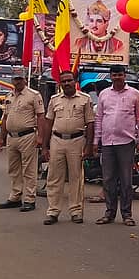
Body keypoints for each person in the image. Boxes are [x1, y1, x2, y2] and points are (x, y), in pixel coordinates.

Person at [93, 64, 139, 226]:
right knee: (108, 180)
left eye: (120, 74)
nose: (117, 77)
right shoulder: (104, 95)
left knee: (126, 181)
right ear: (110, 76)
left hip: (126, 143)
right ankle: (109, 213)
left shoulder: (135, 95)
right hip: (108, 142)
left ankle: (127, 215)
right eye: (114, 75)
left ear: (125, 76)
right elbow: (99, 119)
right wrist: (96, 141)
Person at [41, 70, 94, 225]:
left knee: (76, 177)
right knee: (54, 177)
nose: (66, 84)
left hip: (77, 141)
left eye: (69, 80)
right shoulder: (54, 100)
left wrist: (89, 146)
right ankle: (53, 211)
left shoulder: (85, 99)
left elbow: (90, 123)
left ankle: (76, 211)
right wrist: (44, 147)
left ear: (74, 81)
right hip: (57, 140)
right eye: (63, 81)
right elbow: (48, 122)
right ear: (60, 83)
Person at [0, 73, 45, 213]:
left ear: (24, 79)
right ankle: (15, 197)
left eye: (19, 79)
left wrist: (40, 137)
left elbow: (41, 117)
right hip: (11, 137)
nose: (16, 82)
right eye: (14, 79)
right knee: (13, 169)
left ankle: (29, 199)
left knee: (29, 169)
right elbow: (5, 118)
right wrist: (1, 138)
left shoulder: (33, 95)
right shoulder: (9, 96)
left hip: (27, 135)